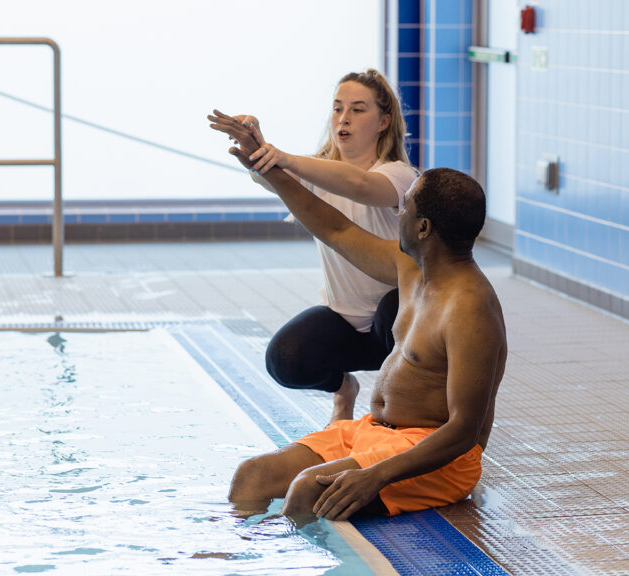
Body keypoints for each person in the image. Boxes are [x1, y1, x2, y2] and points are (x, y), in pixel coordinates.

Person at [209, 121, 506, 520]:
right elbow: (334, 227)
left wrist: (375, 476)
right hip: (375, 432)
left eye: (405, 208)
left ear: (423, 228)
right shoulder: (413, 268)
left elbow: (464, 432)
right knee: (251, 476)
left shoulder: (470, 310)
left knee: (305, 493)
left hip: (437, 458)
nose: (397, 213)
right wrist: (266, 167)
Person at [208, 69, 418, 425]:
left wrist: (284, 158)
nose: (344, 118)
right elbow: (268, 177)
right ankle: (342, 389)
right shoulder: (317, 173)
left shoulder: (399, 176)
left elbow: (361, 185)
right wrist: (254, 147)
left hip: (399, 324)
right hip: (345, 321)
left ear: (384, 121)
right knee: (285, 359)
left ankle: (399, 407)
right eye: (337, 108)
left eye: (358, 109)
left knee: (391, 306)